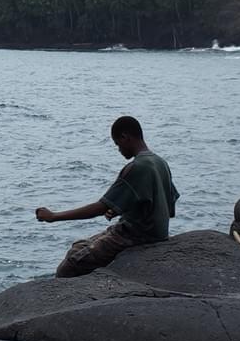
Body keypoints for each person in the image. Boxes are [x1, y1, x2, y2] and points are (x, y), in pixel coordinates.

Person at [35, 115, 178, 278]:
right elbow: (168, 204)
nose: (119, 150)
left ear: (125, 137)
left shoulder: (137, 167)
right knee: (78, 247)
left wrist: (54, 216)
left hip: (136, 236)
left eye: (118, 144)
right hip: (155, 233)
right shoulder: (160, 162)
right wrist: (119, 209)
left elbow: (101, 207)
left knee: (68, 268)